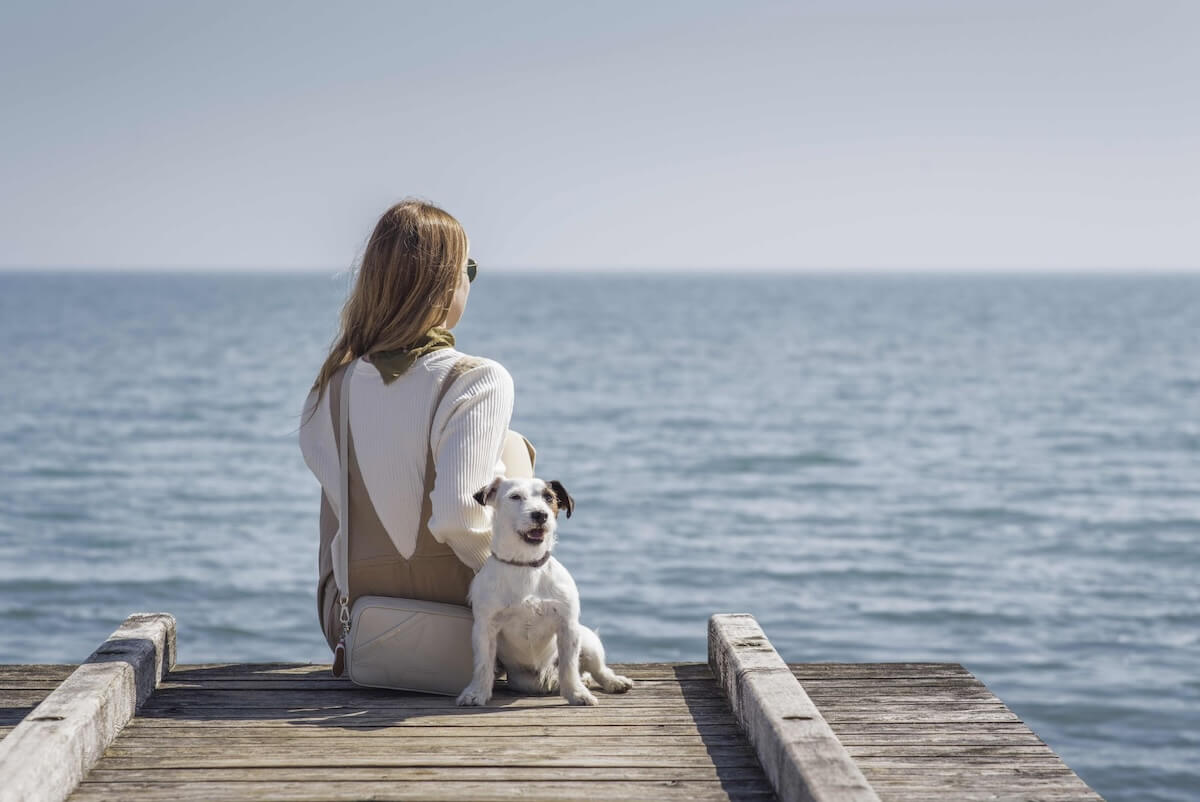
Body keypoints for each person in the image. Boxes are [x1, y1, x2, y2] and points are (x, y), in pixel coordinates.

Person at [298, 199, 534, 653]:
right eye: (469, 270)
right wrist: (515, 584)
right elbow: (459, 516)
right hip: (467, 633)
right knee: (510, 448)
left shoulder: (328, 390)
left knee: (343, 478)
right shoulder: (479, 380)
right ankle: (523, 639)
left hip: (358, 630)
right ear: (445, 283)